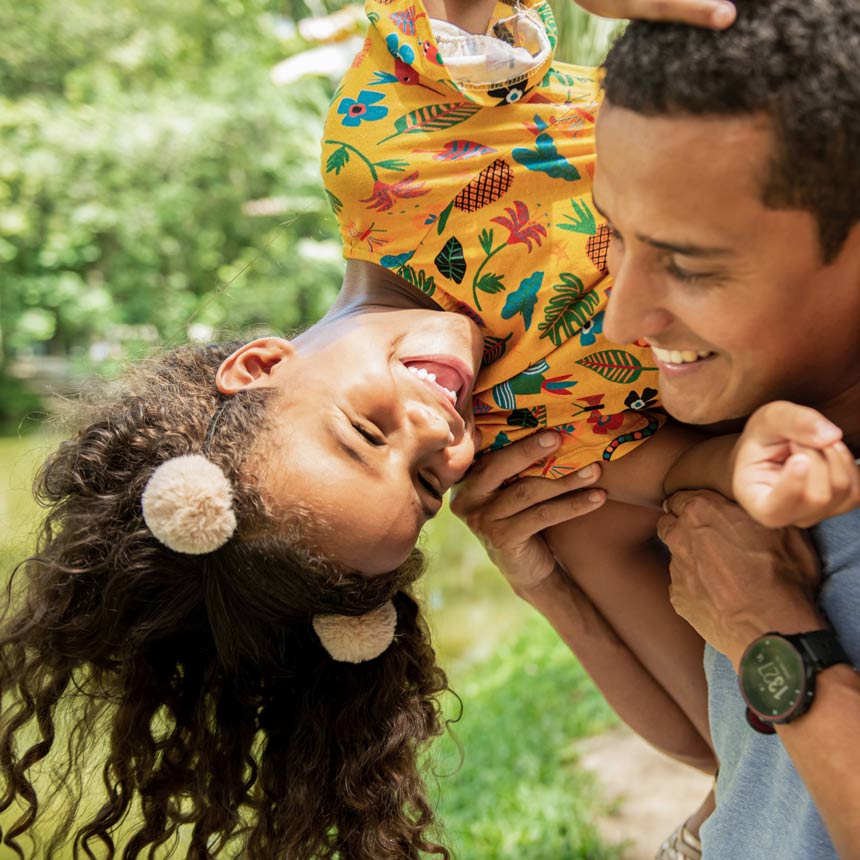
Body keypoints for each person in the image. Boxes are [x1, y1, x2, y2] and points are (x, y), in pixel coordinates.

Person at [454, 1, 860, 857]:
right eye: (614, 237)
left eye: (687, 264)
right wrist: (547, 584)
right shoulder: (752, 461)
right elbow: (740, 757)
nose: (620, 316)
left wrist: (770, 635)